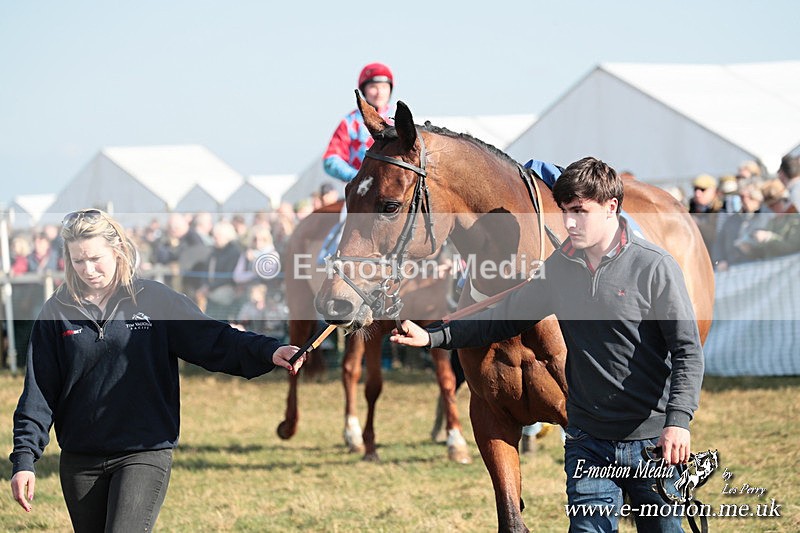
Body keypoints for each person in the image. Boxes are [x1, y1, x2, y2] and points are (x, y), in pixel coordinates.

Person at [390, 157, 704, 532]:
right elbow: (503, 317)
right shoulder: (560, 267)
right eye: (565, 212)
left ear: (611, 208)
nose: (570, 222)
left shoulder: (654, 267)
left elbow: (686, 349)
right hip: (588, 441)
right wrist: (434, 336)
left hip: (650, 439)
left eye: (580, 212)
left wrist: (678, 422)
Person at [9, 208, 305, 531]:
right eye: (78, 261)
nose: (88, 269)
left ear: (117, 250)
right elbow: (38, 392)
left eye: (96, 259)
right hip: (80, 459)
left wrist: (268, 350)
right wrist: (24, 459)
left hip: (143, 451)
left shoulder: (153, 300)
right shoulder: (56, 311)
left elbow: (213, 339)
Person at [318, 62, 395, 261]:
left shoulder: (398, 121)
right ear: (364, 90)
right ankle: (332, 264)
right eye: (373, 86)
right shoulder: (350, 122)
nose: (379, 92)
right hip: (361, 195)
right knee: (347, 228)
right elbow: (330, 160)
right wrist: (359, 177)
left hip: (397, 193)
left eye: (384, 87)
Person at [688, 173, 722, 253]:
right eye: (695, 189)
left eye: (703, 189)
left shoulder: (721, 209)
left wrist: (698, 223)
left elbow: (716, 236)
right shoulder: (689, 208)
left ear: (714, 191)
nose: (698, 194)